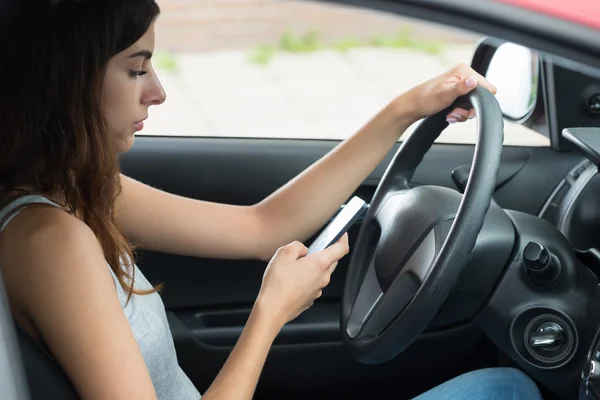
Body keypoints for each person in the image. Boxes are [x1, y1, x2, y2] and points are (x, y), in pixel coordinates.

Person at [0, 1, 542, 399]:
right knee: (511, 390)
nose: (158, 91)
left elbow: (262, 226)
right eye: (137, 69)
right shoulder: (50, 240)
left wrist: (406, 108)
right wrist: (269, 314)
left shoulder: (79, 189)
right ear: (69, 82)